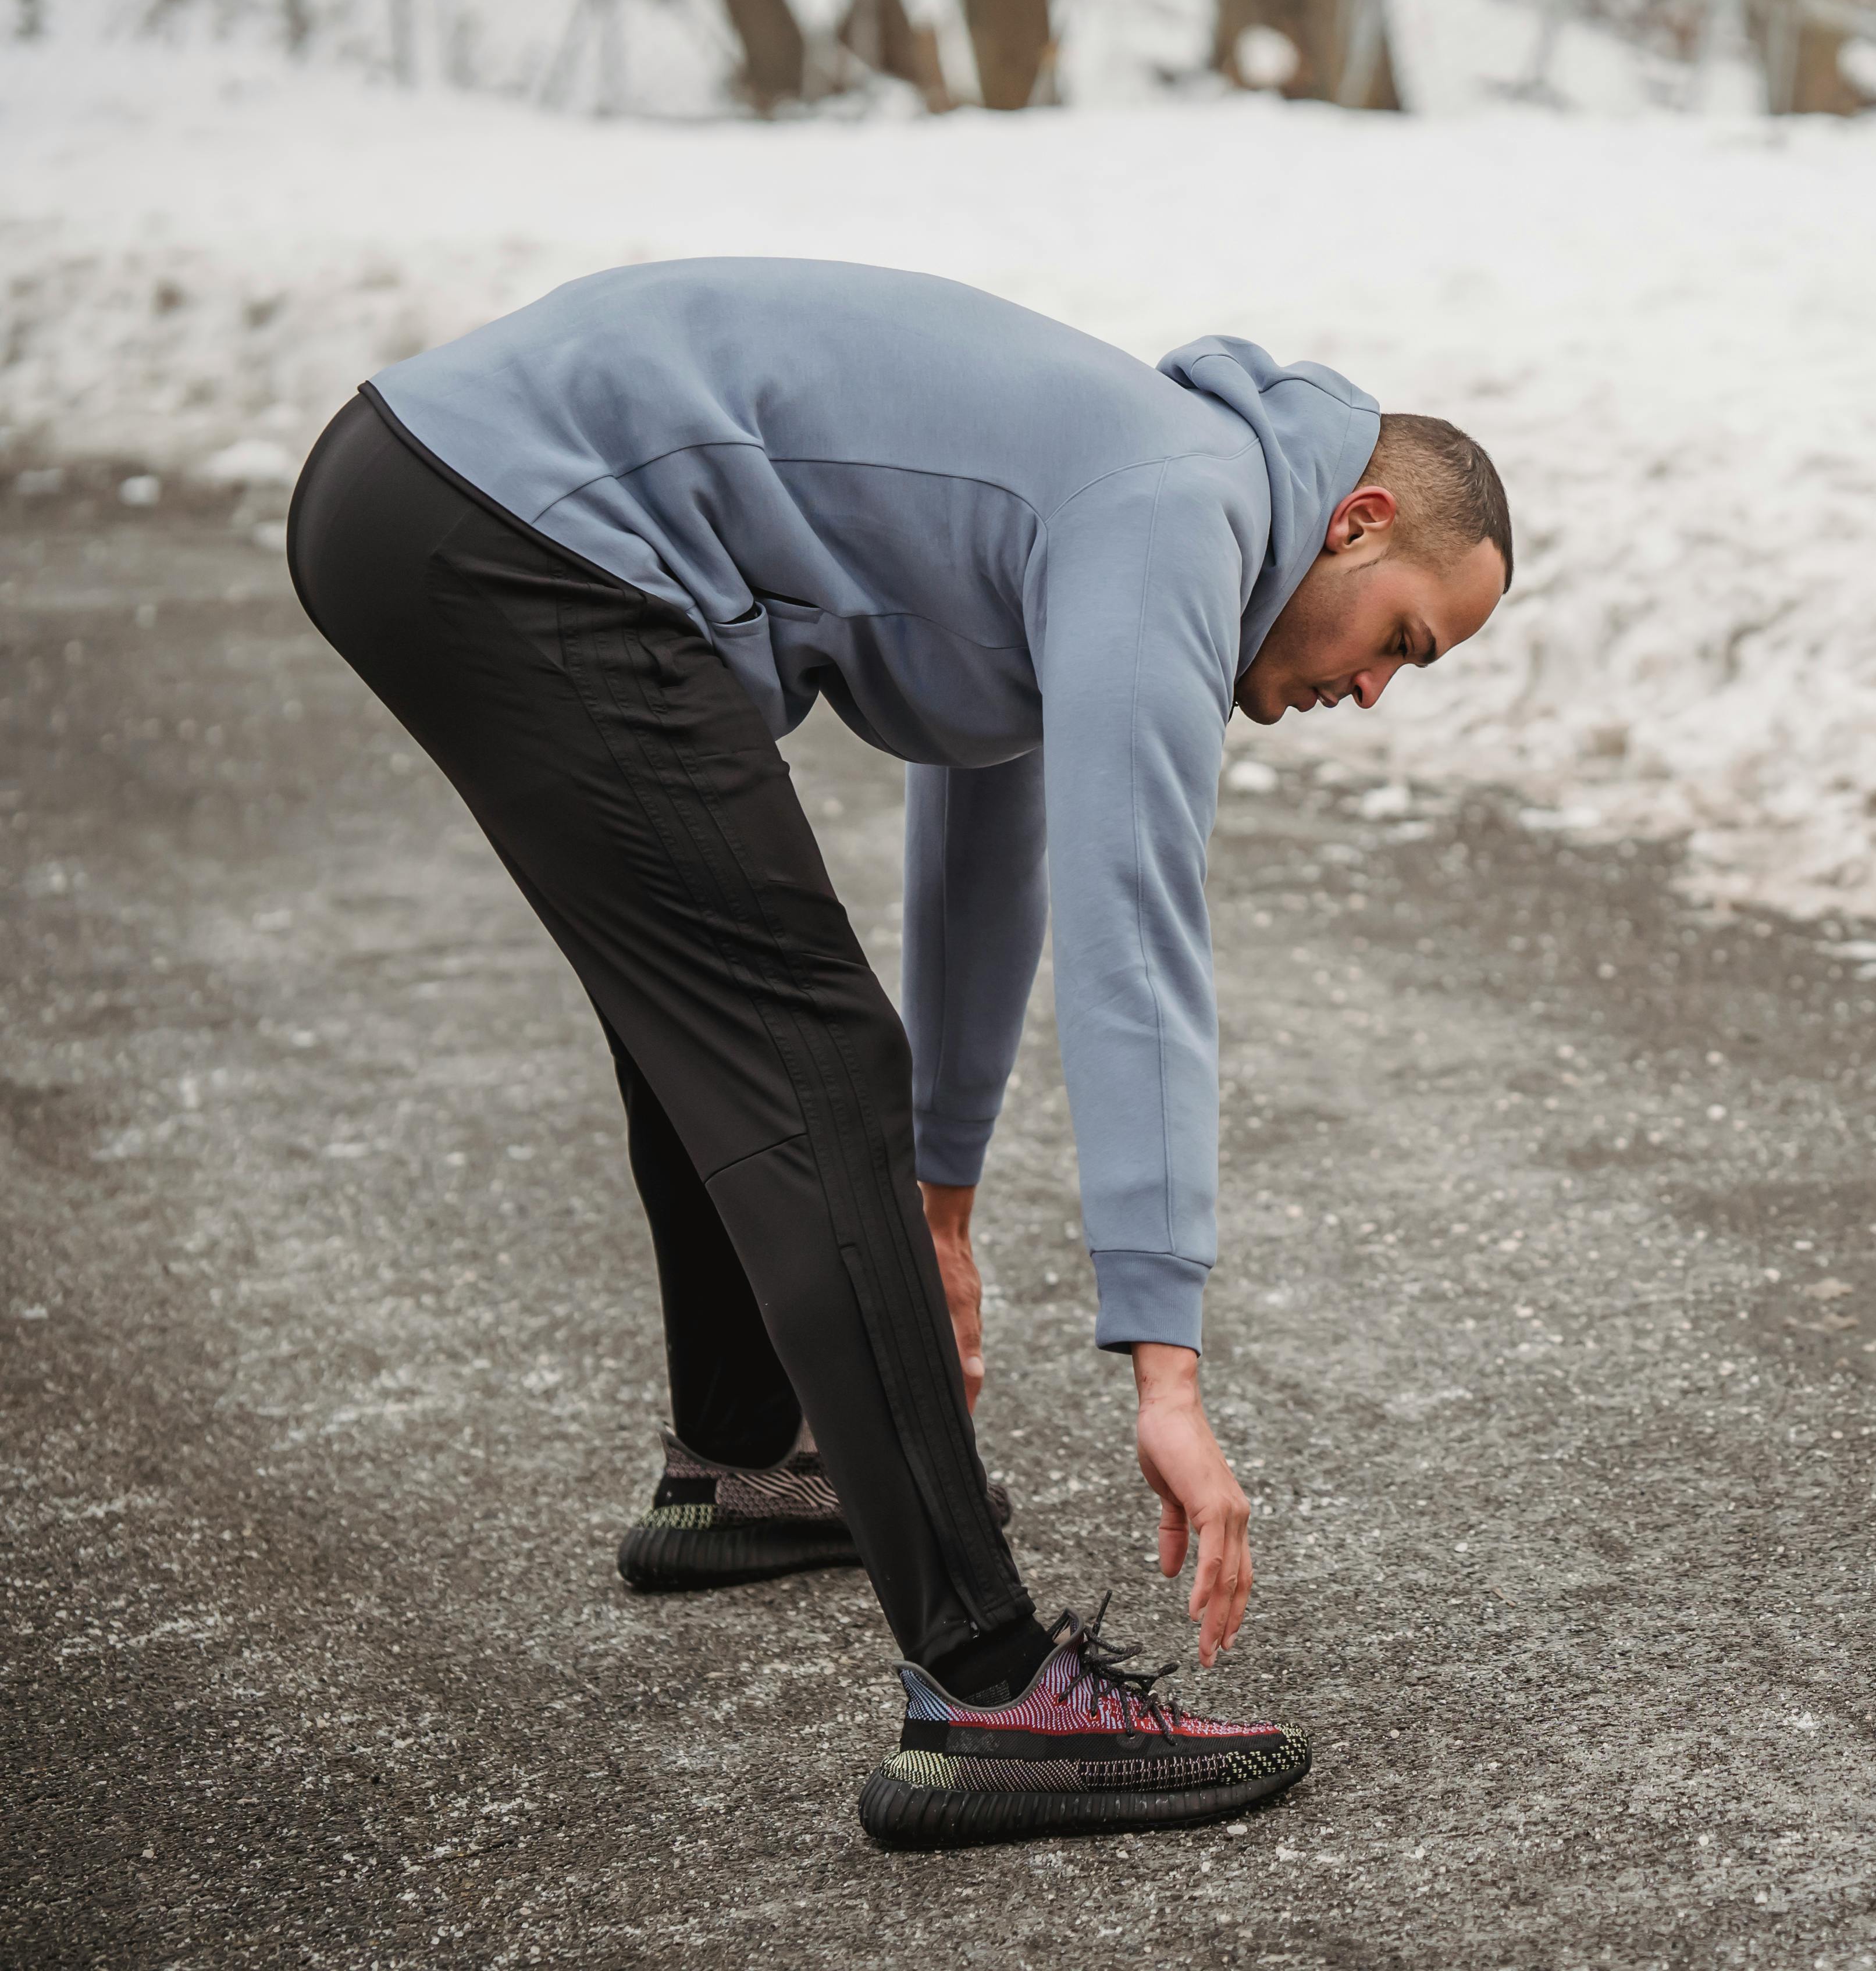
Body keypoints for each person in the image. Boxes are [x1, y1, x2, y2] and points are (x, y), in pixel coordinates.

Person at [285, 258, 1512, 1842]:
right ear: (1354, 523)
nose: (1370, 690)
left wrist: (938, 1202)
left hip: (429, 493)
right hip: (518, 526)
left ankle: (743, 1464)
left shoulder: (1129, 472)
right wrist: (1166, 1368)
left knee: (725, 1000)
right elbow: (1136, 939)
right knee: (805, 1050)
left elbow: (981, 840)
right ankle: (991, 1683)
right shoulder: (1176, 508)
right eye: (1405, 640)